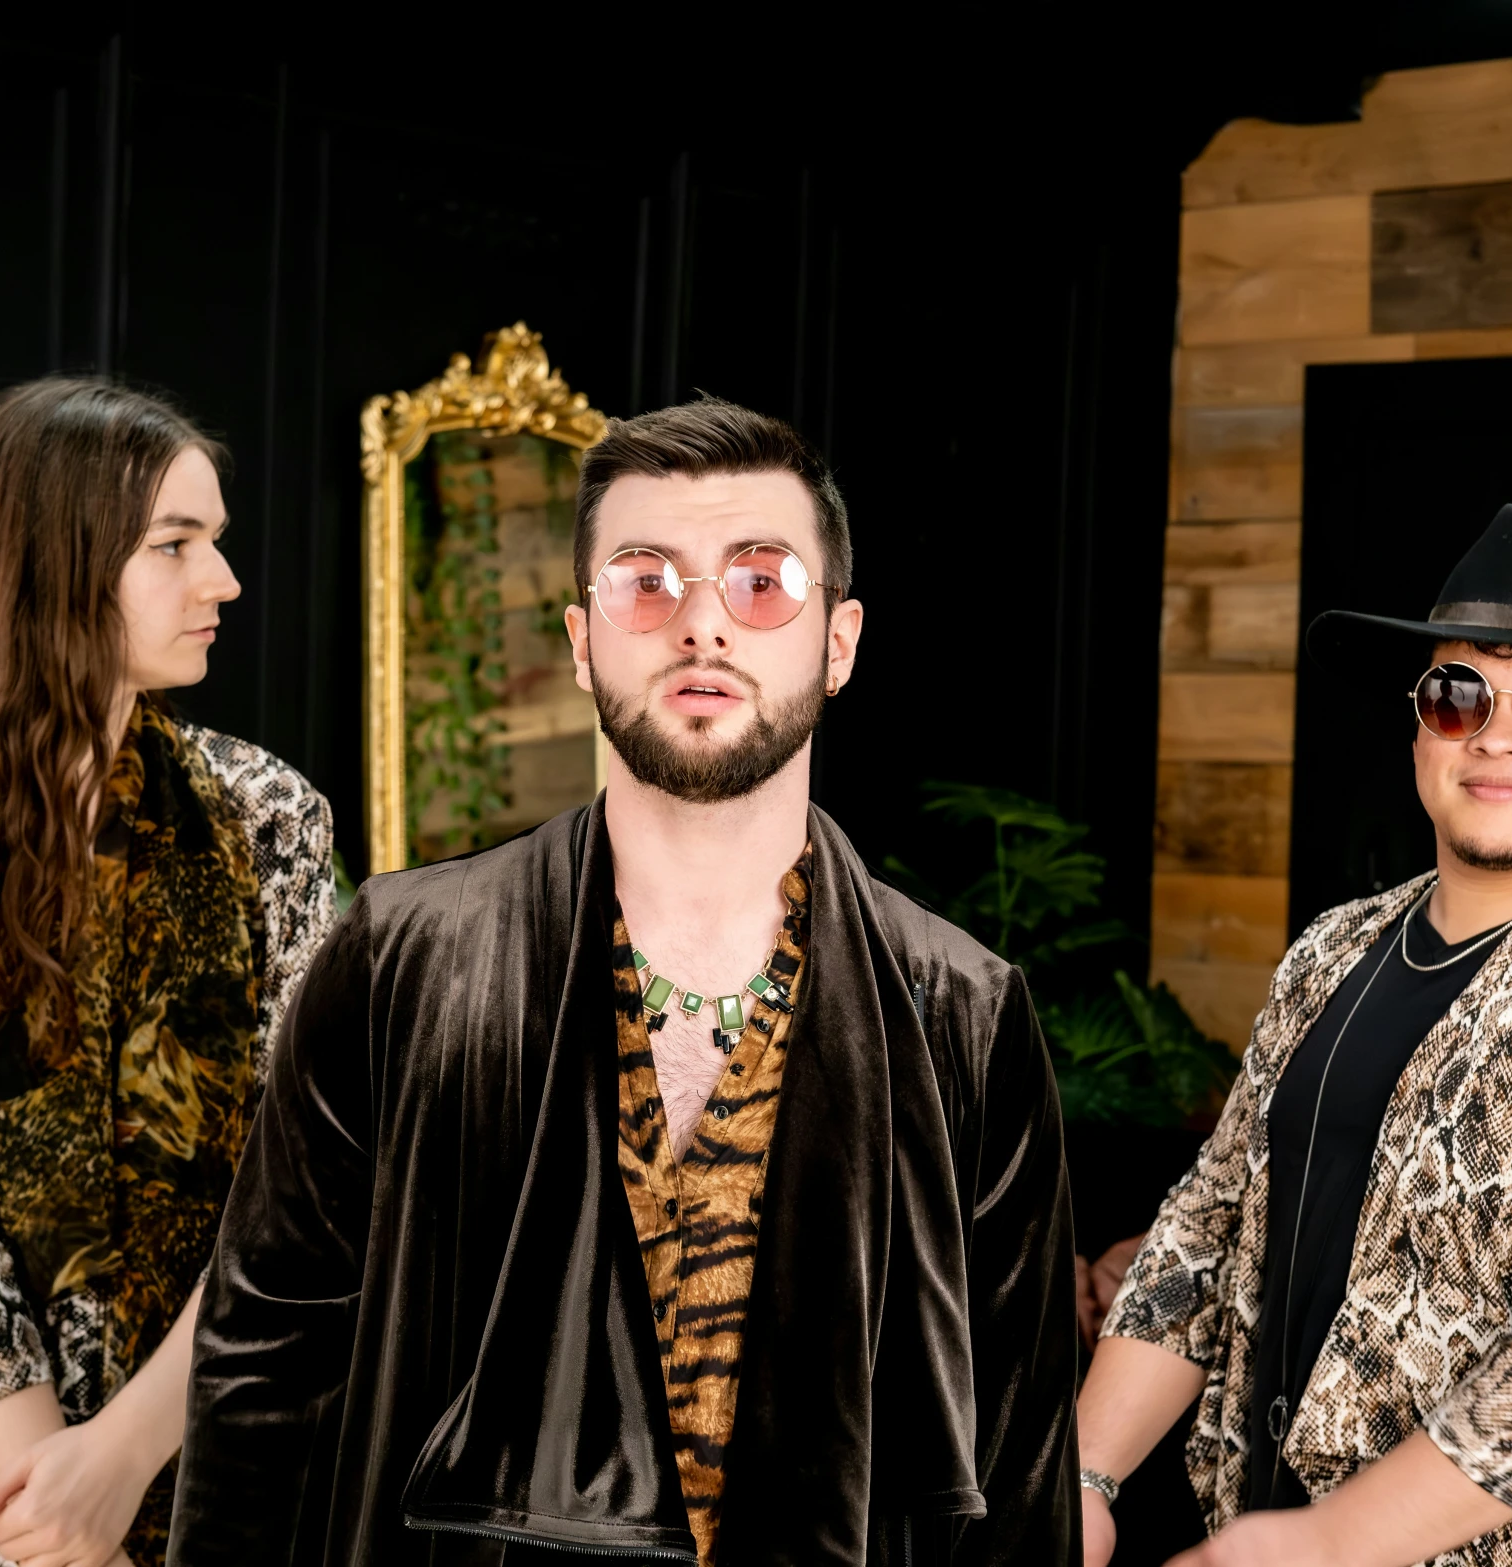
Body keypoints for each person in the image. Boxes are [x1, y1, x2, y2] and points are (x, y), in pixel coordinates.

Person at [169, 396, 1079, 1565]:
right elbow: (262, 1370)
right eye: (646, 582)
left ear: (838, 642)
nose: (702, 626)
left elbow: (1021, 1453)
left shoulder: (963, 1009)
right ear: (582, 636)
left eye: (761, 582)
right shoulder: (401, 953)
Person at [1076, 505, 1512, 1567]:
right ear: (1419, 727)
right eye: (1459, 697)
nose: (1496, 734)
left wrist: (1315, 1546)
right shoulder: (1333, 949)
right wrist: (1080, 1475)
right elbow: (1209, 1227)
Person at [0, 378, 335, 1566]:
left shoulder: (270, 819)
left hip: (216, 1447)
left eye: (218, 543)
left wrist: (125, 1455)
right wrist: (55, 1502)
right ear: (55, 564)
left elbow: (300, 1180)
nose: (224, 582)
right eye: (176, 545)